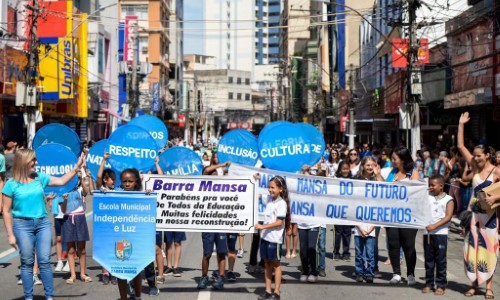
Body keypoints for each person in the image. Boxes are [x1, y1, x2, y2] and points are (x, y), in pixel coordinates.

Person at [2, 148, 85, 300]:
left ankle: (49, 296)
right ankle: (28, 297)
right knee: (27, 262)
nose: (37, 163)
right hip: (22, 225)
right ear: (23, 162)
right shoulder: (11, 184)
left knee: (44, 261)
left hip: (43, 224)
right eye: (33, 160)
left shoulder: (40, 178)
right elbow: (6, 211)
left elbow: (61, 180)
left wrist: (77, 167)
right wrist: (10, 235)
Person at [457, 112, 500, 299]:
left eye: (479, 156)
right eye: (474, 156)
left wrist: (495, 200)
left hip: (490, 218)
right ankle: (474, 285)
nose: (476, 158)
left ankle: (488, 287)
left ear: (488, 155)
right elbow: (460, 146)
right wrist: (461, 124)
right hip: (474, 217)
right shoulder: (474, 167)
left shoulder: (497, 171)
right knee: (472, 251)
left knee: (489, 251)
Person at [115, 168, 159, 299]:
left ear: (136, 182)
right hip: (121, 240)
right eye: (124, 181)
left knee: (137, 270)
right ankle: (124, 297)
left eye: (130, 181)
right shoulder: (116, 195)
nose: (127, 184)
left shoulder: (142, 196)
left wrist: (148, 197)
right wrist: (104, 193)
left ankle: (138, 295)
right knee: (120, 272)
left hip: (137, 239)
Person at [385, 146, 420, 285]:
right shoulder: (392, 173)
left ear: (403, 159)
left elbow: (416, 192)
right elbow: (383, 189)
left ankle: (410, 274)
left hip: (408, 215)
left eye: (395, 159)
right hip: (392, 215)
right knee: (393, 243)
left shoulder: (413, 173)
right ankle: (396, 273)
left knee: (408, 245)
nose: (392, 161)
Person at [255, 176, 290, 300]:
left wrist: (263, 227)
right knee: (267, 264)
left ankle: (277, 292)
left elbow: (279, 222)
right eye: (269, 187)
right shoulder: (269, 199)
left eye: (273, 187)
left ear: (281, 189)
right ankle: (268, 290)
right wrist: (255, 180)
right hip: (265, 238)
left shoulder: (282, 203)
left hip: (275, 239)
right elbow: (256, 195)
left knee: (276, 265)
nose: (270, 190)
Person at [353, 156, 384, 283]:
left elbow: (384, 189)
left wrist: (378, 174)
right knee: (359, 250)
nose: (370, 167)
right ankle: (359, 271)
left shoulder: (376, 178)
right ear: (363, 166)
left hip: (373, 218)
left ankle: (370, 272)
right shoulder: (357, 179)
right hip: (359, 218)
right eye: (368, 165)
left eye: (372, 165)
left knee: (371, 249)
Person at [422, 174, 454, 295]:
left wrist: (435, 226)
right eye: (429, 185)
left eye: (433, 185)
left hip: (441, 233)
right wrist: (424, 190)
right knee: (429, 260)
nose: (431, 187)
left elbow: (448, 216)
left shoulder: (449, 199)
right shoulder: (427, 196)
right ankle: (429, 283)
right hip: (428, 233)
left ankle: (440, 285)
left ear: (441, 186)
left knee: (440, 260)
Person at [60, 167, 93, 284]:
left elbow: (86, 191)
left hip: (80, 217)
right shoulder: (63, 191)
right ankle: (73, 274)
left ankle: (83, 273)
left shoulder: (80, 189)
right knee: (70, 249)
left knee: (82, 249)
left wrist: (82, 177)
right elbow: (63, 210)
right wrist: (64, 199)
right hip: (68, 218)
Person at [96, 152, 118, 285]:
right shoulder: (102, 189)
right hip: (103, 224)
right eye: (111, 179)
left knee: (115, 248)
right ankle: (105, 272)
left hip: (116, 224)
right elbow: (98, 177)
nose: (114, 182)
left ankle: (114, 271)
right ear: (105, 180)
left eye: (115, 180)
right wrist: (103, 160)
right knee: (104, 248)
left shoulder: (118, 190)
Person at [333, 161, 353, 261]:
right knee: (338, 233)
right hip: (338, 210)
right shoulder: (336, 180)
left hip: (348, 210)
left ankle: (346, 252)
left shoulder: (353, 181)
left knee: (347, 233)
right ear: (340, 170)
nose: (345, 171)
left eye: (347, 168)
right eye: (343, 169)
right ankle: (336, 252)